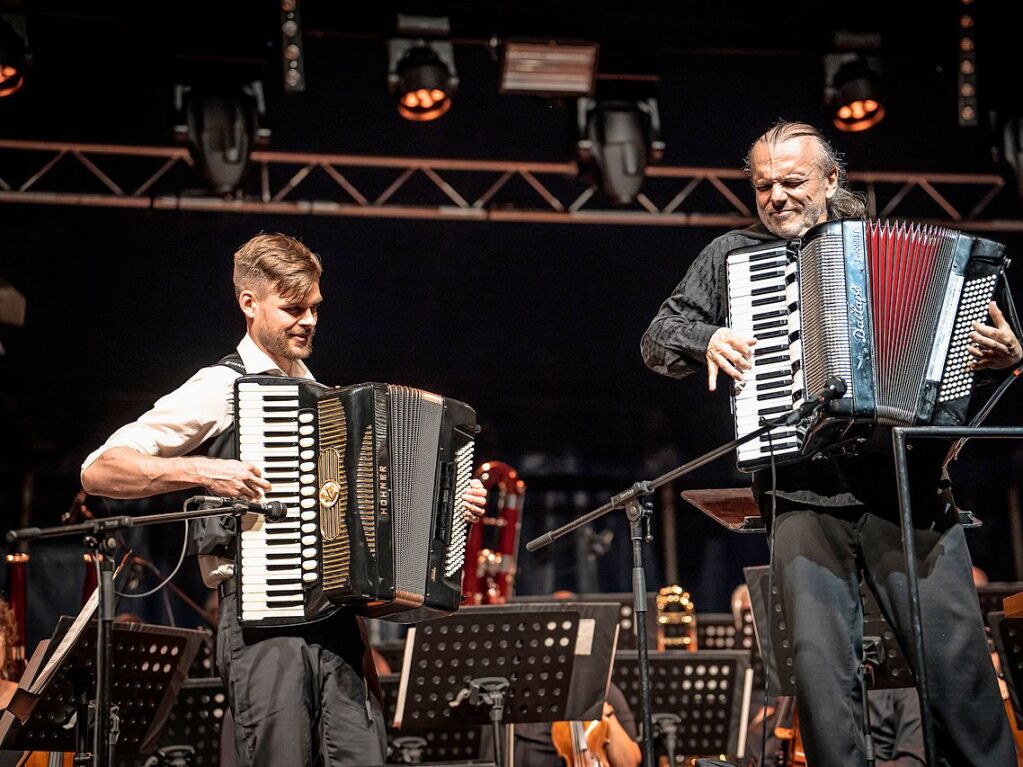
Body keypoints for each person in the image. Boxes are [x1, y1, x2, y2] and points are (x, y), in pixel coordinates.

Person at [641, 121, 1022, 766]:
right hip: (800, 495)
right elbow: (657, 337)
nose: (776, 197)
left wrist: (1007, 358)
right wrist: (704, 339)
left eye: (792, 181)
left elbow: (982, 351)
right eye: (763, 185)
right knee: (823, 692)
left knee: (960, 682)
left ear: (831, 181)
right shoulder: (732, 256)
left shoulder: (892, 246)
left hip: (909, 492)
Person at [80, 233, 488, 767]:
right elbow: (99, 469)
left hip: (340, 623)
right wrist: (201, 468)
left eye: (315, 308)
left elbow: (378, 518)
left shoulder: (331, 401)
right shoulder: (220, 386)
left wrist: (446, 501)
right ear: (249, 304)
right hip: (263, 628)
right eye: (293, 308)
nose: (309, 321)